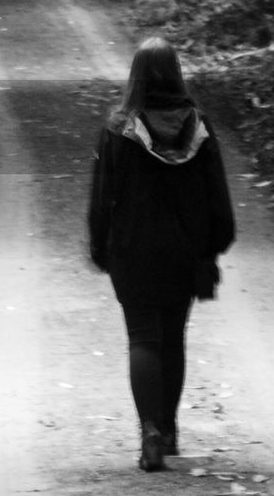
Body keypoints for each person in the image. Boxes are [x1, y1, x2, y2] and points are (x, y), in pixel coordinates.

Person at [87, 37, 235, 471]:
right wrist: (214, 246)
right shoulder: (200, 127)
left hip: (131, 251)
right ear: (176, 73)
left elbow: (101, 198)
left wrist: (99, 245)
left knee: (143, 338)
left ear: (135, 75)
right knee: (173, 339)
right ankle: (168, 431)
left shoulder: (118, 129)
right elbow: (217, 197)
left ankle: (149, 431)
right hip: (184, 253)